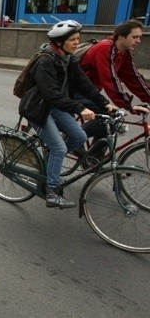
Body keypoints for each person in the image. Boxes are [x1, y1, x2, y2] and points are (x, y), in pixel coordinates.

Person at [18, 20, 116, 209]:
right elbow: (51, 93)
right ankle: (52, 191)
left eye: (78, 38)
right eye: (72, 39)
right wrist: (79, 108)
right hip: (37, 109)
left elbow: (84, 84)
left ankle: (51, 159)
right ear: (59, 42)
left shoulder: (68, 59)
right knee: (60, 148)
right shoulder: (45, 61)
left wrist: (104, 103)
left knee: (79, 137)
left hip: (54, 106)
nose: (77, 43)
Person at [80, 19, 150, 115]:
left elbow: (134, 78)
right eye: (134, 37)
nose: (138, 41)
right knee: (111, 116)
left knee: (110, 118)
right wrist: (127, 105)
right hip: (75, 91)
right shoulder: (105, 47)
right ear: (121, 36)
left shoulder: (125, 53)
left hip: (91, 93)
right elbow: (110, 79)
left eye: (139, 37)